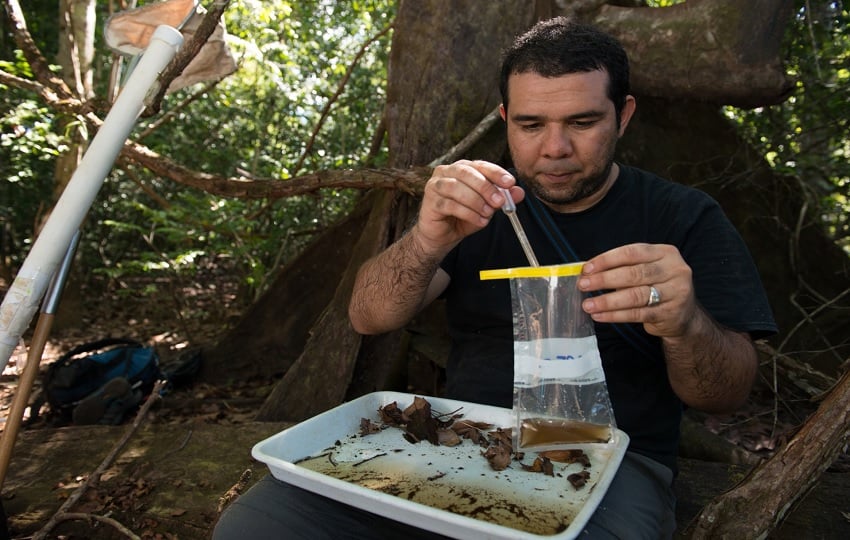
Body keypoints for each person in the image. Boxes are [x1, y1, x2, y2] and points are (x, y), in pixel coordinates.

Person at [213, 17, 777, 539]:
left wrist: (684, 325)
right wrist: (427, 238)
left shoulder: (683, 218)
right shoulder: (481, 204)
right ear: (506, 119)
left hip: (614, 461)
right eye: (531, 124)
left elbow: (726, 394)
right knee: (256, 526)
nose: (554, 149)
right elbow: (368, 315)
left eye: (582, 122)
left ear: (623, 116)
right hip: (456, 441)